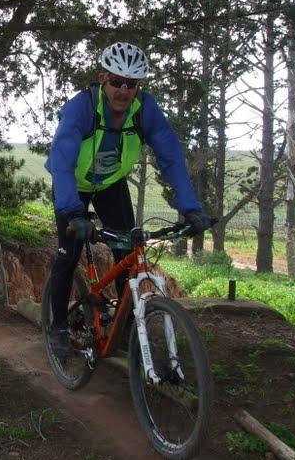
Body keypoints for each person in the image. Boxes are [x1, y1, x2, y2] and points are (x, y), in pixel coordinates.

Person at [44, 42, 211, 357]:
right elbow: (62, 159)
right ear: (103, 79)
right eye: (116, 81)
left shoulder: (144, 110)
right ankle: (59, 328)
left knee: (125, 255)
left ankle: (125, 331)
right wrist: (72, 211)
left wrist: (191, 208)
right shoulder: (82, 107)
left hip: (110, 185)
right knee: (68, 255)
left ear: (139, 86)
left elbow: (171, 156)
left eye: (131, 83)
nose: (123, 90)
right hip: (73, 185)